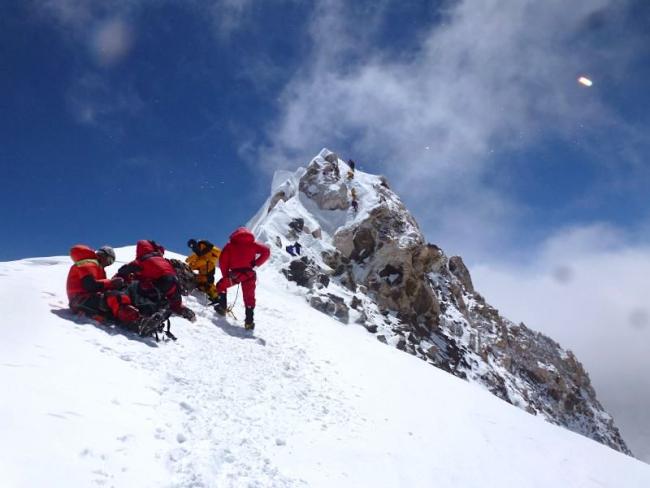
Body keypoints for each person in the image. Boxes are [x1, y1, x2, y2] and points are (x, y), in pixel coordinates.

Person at [116, 240, 196, 322]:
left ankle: (148, 314)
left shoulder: (141, 260)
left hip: (160, 284)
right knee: (171, 299)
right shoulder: (164, 260)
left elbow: (123, 271)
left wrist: (118, 280)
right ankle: (181, 310)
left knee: (136, 288)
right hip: (174, 284)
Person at [66, 244, 141, 329]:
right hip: (80, 300)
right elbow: (90, 285)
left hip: (83, 300)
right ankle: (134, 321)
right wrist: (111, 283)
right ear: (102, 255)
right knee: (115, 297)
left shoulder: (97, 267)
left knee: (116, 297)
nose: (108, 264)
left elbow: (100, 286)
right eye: (109, 261)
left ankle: (133, 317)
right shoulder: (88, 263)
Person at [214, 227, 271, 330]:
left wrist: (226, 276)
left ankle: (222, 307)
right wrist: (256, 263)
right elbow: (266, 251)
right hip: (249, 274)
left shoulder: (230, 246)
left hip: (235, 275)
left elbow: (223, 262)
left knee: (221, 285)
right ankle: (249, 322)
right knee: (249, 297)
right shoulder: (253, 244)